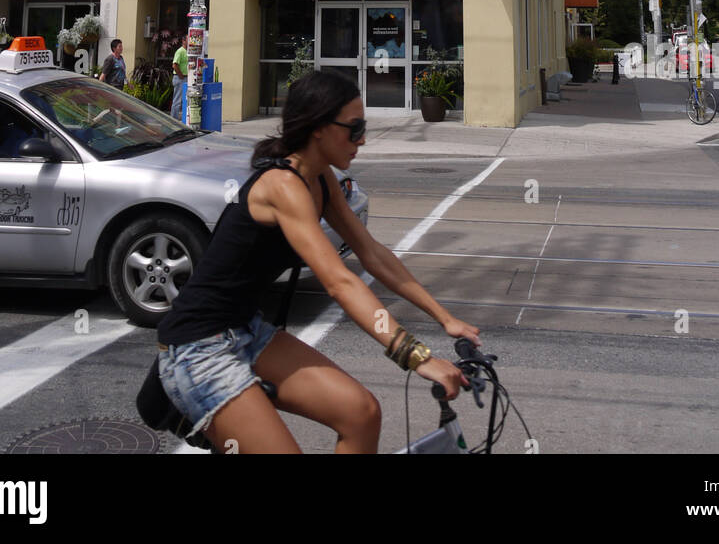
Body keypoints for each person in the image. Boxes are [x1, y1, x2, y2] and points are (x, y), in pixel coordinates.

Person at [155, 70, 479, 454]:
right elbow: (340, 282)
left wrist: (445, 318)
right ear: (319, 127)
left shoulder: (321, 179)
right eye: (354, 128)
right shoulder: (282, 186)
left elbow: (372, 254)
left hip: (247, 330)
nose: (362, 140)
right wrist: (415, 356)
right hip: (198, 347)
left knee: (362, 413)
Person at [171, 41, 188, 121]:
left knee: (184, 100)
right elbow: (174, 64)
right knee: (177, 100)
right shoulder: (180, 51)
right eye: (188, 38)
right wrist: (180, 75)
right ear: (183, 41)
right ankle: (174, 120)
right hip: (179, 78)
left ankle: (183, 118)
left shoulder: (188, 52)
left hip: (186, 78)